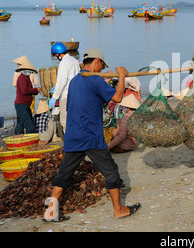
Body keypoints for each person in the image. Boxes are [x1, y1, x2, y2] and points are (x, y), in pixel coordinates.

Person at [45, 48, 140, 221]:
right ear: (97, 62)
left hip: (73, 136)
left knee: (64, 174)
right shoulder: (95, 79)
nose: (102, 70)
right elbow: (118, 98)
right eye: (102, 66)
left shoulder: (74, 81)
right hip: (90, 136)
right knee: (111, 171)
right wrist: (121, 75)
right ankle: (119, 209)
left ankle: (50, 212)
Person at [48, 42, 81, 133]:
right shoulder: (74, 60)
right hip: (76, 95)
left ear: (58, 54)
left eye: (55, 55)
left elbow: (61, 82)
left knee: (65, 122)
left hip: (66, 96)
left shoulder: (64, 63)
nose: (55, 57)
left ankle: (70, 143)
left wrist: (54, 97)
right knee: (75, 120)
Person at [14, 58, 41, 134]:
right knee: (29, 124)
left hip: (24, 104)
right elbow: (24, 91)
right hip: (21, 105)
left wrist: (36, 91)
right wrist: (36, 90)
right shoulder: (22, 78)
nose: (30, 72)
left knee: (20, 124)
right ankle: (32, 140)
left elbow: (28, 90)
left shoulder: (26, 78)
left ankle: (18, 138)